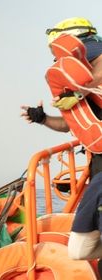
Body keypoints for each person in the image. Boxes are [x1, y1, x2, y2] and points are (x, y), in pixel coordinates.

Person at [21, 17, 102, 176]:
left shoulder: (92, 47)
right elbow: (69, 125)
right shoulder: (82, 85)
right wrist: (43, 118)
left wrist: (78, 93)